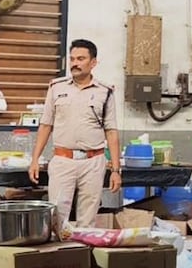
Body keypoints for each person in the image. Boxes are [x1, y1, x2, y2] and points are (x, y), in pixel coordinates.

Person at [28, 39, 122, 228]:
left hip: (93, 162)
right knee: (57, 218)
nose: (75, 63)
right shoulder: (56, 87)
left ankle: (83, 246)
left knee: (88, 218)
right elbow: (45, 125)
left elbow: (111, 132)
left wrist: (116, 171)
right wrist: (35, 160)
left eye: (80, 59)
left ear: (93, 62)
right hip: (63, 160)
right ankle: (60, 247)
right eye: (72, 59)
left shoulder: (105, 92)